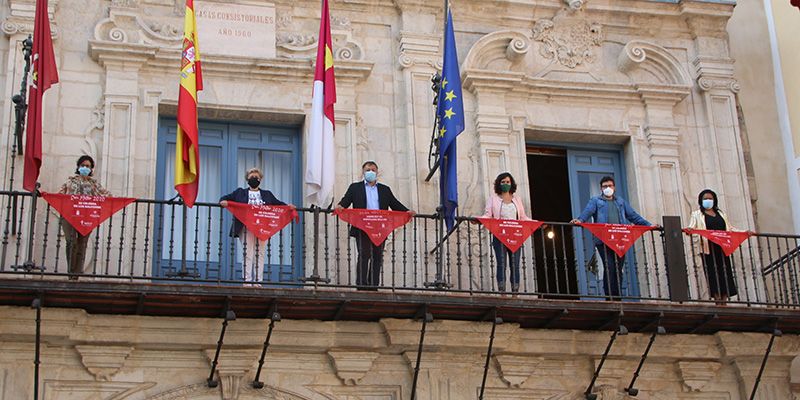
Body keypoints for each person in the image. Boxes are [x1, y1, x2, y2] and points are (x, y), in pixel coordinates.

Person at [570, 176, 654, 299]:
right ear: (601, 188)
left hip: (620, 240)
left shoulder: (620, 202)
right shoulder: (596, 201)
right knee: (609, 266)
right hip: (603, 240)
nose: (607, 188)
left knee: (618, 268)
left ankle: (617, 296)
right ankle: (610, 297)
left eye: (610, 185)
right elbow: (588, 211)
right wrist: (580, 220)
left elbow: (633, 216)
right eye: (605, 186)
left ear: (614, 187)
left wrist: (649, 225)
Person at [336, 161, 414, 289]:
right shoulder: (355, 188)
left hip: (379, 227)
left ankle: (373, 285)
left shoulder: (385, 189)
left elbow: (394, 204)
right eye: (367, 170)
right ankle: (361, 285)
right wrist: (340, 206)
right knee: (364, 253)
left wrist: (407, 212)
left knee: (377, 256)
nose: (370, 172)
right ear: (363, 172)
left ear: (377, 172)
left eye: (372, 170)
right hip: (362, 226)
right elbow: (346, 200)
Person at [220, 167, 292, 284]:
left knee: (260, 254)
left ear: (260, 179)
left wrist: (289, 207)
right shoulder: (240, 193)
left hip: (262, 228)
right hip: (245, 227)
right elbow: (225, 198)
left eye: (256, 177)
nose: (254, 178)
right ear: (247, 178)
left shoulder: (267, 194)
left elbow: (279, 205)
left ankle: (258, 281)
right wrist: (223, 202)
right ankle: (247, 281)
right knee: (247, 253)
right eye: (252, 176)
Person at [58, 155, 111, 279]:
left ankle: (76, 274)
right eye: (83, 165)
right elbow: (60, 196)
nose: (85, 168)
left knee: (82, 244)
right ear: (78, 167)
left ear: (91, 169)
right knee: (71, 242)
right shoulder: (70, 181)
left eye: (88, 166)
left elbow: (107, 195)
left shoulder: (94, 185)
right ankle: (71, 272)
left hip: (87, 217)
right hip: (69, 216)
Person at [478, 172, 532, 292]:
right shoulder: (493, 199)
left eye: (507, 182)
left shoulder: (517, 199)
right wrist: (479, 220)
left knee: (515, 264)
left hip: (515, 235)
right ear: (499, 183)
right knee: (501, 263)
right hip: (499, 235)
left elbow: (523, 217)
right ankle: (502, 290)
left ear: (511, 183)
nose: (505, 184)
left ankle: (515, 291)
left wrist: (537, 223)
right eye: (503, 182)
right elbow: (488, 215)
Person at [686, 189, 739, 303]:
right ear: (701, 201)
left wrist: (745, 232)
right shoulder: (697, 214)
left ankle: (724, 299)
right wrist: (689, 230)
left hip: (722, 247)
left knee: (725, 272)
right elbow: (691, 227)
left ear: (714, 200)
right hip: (708, 248)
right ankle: (717, 298)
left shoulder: (721, 214)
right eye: (705, 199)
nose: (708, 201)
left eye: (710, 198)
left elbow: (730, 228)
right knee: (712, 272)